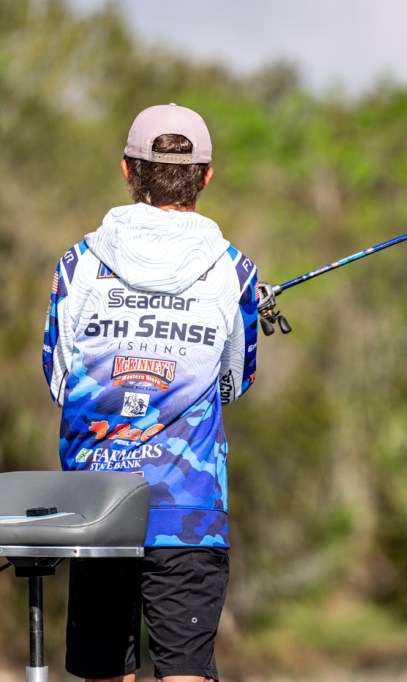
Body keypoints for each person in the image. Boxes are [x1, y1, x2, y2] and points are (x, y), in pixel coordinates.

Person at [42, 103, 259, 682]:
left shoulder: (77, 265)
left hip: (98, 507)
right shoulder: (234, 271)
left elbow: (59, 377)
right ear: (206, 176)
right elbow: (234, 382)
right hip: (188, 508)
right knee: (185, 673)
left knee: (103, 671)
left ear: (127, 169)